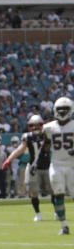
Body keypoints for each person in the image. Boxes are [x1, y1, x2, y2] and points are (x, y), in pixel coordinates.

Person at [4, 114, 51, 221]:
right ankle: (38, 214)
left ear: (42, 125)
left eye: (37, 125)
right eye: (32, 125)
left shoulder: (48, 134)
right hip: (34, 167)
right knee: (33, 192)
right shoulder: (27, 137)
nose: (35, 128)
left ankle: (57, 212)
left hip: (48, 166)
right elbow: (20, 149)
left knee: (53, 191)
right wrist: (9, 159)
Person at [42, 96, 74, 235]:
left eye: (64, 109)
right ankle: (64, 225)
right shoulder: (49, 127)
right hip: (56, 164)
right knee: (58, 194)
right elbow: (46, 146)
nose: (61, 112)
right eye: (59, 109)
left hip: (72, 165)